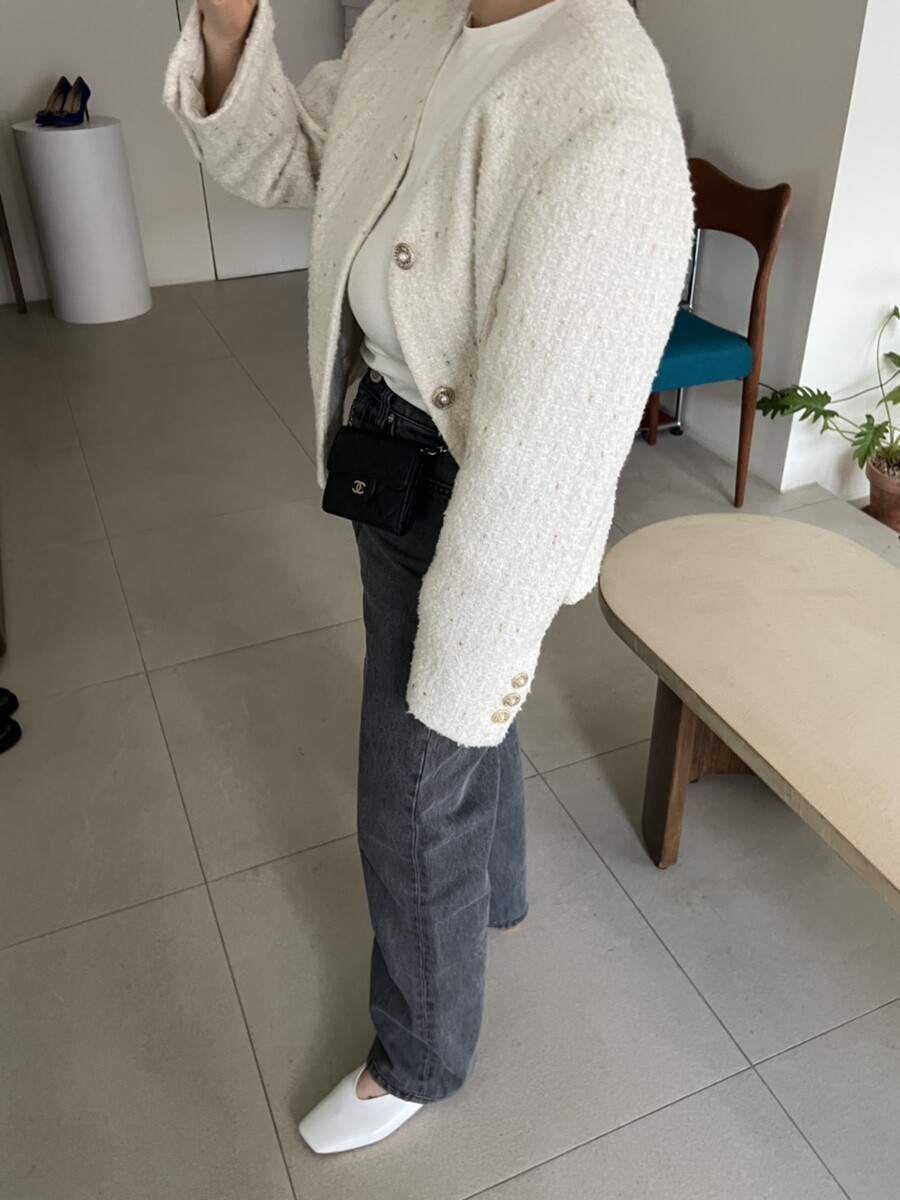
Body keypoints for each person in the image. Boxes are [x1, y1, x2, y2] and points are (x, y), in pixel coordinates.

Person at [164, 0, 694, 1153]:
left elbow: (549, 458)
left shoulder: (607, 108)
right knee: (445, 736)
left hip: (481, 488)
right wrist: (230, 27)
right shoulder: (412, 17)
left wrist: (477, 645)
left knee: (414, 776)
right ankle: (495, 895)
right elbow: (298, 157)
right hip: (389, 448)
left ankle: (421, 1055)